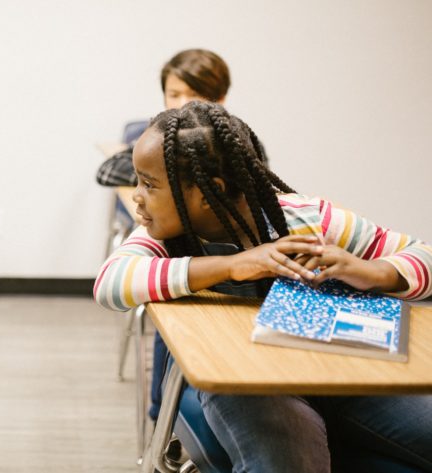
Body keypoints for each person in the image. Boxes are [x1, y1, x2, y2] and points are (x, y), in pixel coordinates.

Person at [94, 101, 432, 471]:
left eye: (149, 184)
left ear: (209, 193)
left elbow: (424, 255)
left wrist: (375, 272)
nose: (136, 195)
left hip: (341, 371)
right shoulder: (164, 239)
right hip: (245, 383)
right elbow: (111, 284)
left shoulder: (308, 219)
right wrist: (231, 266)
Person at [96, 48, 230, 187]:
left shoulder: (229, 139)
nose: (182, 104)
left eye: (194, 94)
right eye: (174, 95)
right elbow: (107, 171)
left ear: (220, 99)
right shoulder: (161, 133)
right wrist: (165, 180)